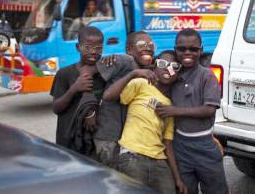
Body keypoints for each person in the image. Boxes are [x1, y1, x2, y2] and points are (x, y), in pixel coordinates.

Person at [102, 50, 187, 194]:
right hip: (132, 156)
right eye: (162, 64)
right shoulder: (141, 84)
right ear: (154, 66)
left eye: (174, 66)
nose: (168, 68)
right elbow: (108, 96)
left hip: (159, 161)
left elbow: (167, 144)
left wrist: (177, 178)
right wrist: (133, 74)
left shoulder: (170, 105)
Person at [156, 28, 229, 194]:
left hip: (204, 145)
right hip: (180, 146)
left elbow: (209, 110)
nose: (187, 53)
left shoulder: (207, 76)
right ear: (175, 49)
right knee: (186, 190)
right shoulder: (173, 74)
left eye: (193, 49)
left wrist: (175, 111)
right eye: (182, 49)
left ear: (201, 50)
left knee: (216, 189)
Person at [93, 31, 157, 168]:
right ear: (129, 50)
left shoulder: (149, 69)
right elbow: (92, 73)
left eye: (151, 45)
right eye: (141, 45)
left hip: (128, 139)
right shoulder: (124, 60)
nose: (148, 48)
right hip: (109, 134)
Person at [50, 27, 105, 155]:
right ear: (77, 47)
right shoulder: (65, 73)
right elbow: (56, 108)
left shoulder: (104, 73)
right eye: (88, 47)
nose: (93, 52)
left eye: (99, 49)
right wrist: (74, 89)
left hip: (94, 138)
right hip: (69, 138)